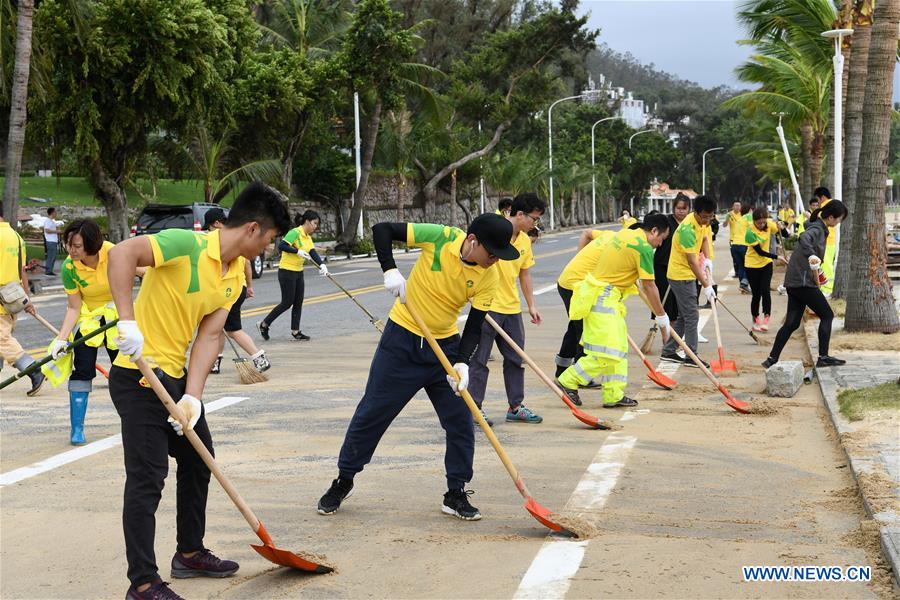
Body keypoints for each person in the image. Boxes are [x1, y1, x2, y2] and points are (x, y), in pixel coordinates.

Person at [107, 182, 290, 600]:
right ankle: (143, 583)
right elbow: (122, 254)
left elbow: (210, 336)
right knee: (148, 476)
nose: (267, 249)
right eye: (270, 240)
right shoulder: (185, 244)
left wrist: (193, 396)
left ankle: (189, 552)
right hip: (137, 375)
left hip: (173, 378)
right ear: (253, 229)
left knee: (199, 460)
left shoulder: (231, 275)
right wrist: (125, 320)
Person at [316, 213, 519, 522]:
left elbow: (475, 327)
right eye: (492, 253)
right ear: (472, 241)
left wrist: (462, 362)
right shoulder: (441, 237)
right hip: (401, 341)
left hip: (445, 350)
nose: (495, 260)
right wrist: (390, 270)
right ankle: (344, 479)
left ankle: (455, 492)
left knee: (461, 421)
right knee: (372, 412)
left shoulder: (489, 276)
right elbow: (382, 230)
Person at [557, 216, 671, 408]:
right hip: (603, 297)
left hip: (607, 296)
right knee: (607, 352)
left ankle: (613, 394)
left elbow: (622, 264)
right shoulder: (642, 248)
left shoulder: (626, 234)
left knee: (619, 348)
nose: (660, 244)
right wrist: (661, 315)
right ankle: (568, 380)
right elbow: (650, 286)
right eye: (662, 239)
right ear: (654, 231)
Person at [52, 219, 145, 445]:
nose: (70, 250)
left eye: (76, 246)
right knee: (82, 371)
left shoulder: (113, 253)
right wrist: (61, 339)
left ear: (92, 245)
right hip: (90, 321)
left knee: (129, 371)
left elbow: (146, 274)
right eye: (68, 244)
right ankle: (77, 429)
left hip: (118, 317)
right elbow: (74, 307)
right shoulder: (69, 267)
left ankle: (138, 424)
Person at [468, 193, 545, 426]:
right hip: (486, 306)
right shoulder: (492, 226)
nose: (535, 225)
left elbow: (525, 272)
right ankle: (473, 408)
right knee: (479, 360)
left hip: (511, 308)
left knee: (515, 358)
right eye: (534, 219)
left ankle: (516, 406)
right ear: (520, 214)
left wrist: (531, 304)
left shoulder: (523, 240)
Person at [763, 200, 849, 369]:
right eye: (839, 219)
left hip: (794, 281)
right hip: (803, 282)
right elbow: (804, 238)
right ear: (831, 217)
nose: (838, 223)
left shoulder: (816, 225)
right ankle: (823, 357)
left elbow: (807, 227)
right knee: (827, 315)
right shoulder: (817, 229)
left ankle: (771, 359)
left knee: (792, 323)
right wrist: (811, 255)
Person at [553, 226, 617, 403]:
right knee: (585, 329)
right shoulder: (619, 247)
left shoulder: (611, 234)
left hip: (569, 281)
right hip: (575, 285)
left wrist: (579, 257)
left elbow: (587, 233)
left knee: (575, 328)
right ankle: (579, 375)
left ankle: (562, 369)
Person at [203, 209, 269, 375]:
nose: (209, 231)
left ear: (217, 223)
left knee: (232, 330)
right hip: (238, 287)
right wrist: (249, 285)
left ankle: (258, 357)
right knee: (217, 327)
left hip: (226, 290)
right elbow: (247, 264)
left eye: (210, 227)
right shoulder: (238, 236)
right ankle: (214, 362)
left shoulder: (218, 240)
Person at [660, 195, 717, 368]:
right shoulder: (687, 229)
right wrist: (707, 286)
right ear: (696, 213)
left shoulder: (702, 224)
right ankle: (691, 355)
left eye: (710, 216)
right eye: (704, 216)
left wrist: (707, 259)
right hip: (680, 275)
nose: (707, 220)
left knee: (684, 316)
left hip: (688, 275)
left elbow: (705, 239)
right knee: (692, 315)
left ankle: (669, 351)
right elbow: (692, 262)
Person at [257, 210, 327, 341]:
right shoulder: (295, 232)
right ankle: (264, 324)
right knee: (287, 302)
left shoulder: (307, 237)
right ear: (307, 221)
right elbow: (282, 246)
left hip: (298, 271)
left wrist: (322, 265)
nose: (315, 226)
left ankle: (296, 331)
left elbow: (312, 252)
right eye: (314, 223)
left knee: (298, 302)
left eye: (317, 224)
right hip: (287, 271)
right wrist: (297, 251)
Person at [0, 216, 44, 395]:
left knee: (2, 340)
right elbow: (22, 271)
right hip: (12, 297)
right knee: (3, 338)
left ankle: (32, 369)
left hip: (1, 298)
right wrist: (27, 299)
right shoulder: (16, 237)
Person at [743, 207, 787, 332]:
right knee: (756, 294)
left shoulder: (769, 225)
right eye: (759, 223)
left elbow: (785, 234)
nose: (762, 224)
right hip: (751, 265)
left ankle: (766, 318)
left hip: (766, 264)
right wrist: (777, 257)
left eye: (764, 222)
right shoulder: (750, 232)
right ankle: (756, 318)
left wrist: (781, 226)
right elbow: (760, 252)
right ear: (754, 221)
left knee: (765, 291)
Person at [651, 194, 689, 324]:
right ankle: (666, 338)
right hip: (663, 267)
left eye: (684, 208)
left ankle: (675, 338)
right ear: (673, 208)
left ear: (688, 209)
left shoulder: (689, 224)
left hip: (680, 269)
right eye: (678, 208)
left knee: (678, 308)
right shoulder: (666, 222)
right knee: (665, 305)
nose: (681, 211)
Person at [722, 201, 751, 293]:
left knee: (741, 266)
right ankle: (744, 283)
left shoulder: (740, 218)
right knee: (748, 265)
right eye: (736, 205)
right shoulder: (746, 217)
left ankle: (743, 286)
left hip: (735, 244)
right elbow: (753, 228)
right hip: (741, 244)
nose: (737, 207)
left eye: (739, 206)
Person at [812, 187, 836, 295]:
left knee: (826, 266)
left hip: (827, 240)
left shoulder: (826, 205)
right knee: (827, 264)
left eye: (818, 200)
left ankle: (828, 289)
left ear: (822, 197)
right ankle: (827, 288)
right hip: (831, 240)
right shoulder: (832, 204)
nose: (818, 203)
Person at [44, 207, 60, 276]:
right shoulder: (48, 221)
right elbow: (47, 230)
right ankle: (48, 270)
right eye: (55, 212)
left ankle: (50, 270)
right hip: (50, 241)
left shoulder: (52, 221)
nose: (56, 214)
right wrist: (56, 231)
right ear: (52, 213)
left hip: (53, 241)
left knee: (53, 256)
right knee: (51, 256)